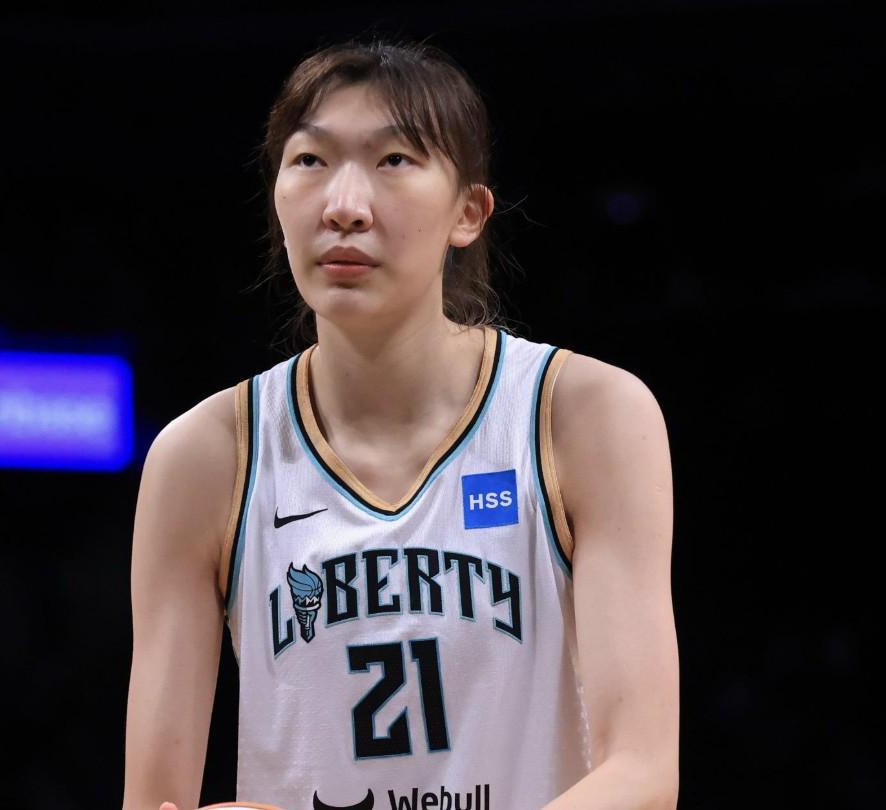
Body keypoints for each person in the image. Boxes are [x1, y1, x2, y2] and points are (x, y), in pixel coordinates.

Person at [123, 37, 679, 810]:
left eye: (393, 160)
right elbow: (154, 801)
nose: (343, 205)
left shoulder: (585, 415)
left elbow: (644, 773)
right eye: (310, 160)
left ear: (468, 213)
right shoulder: (204, 456)